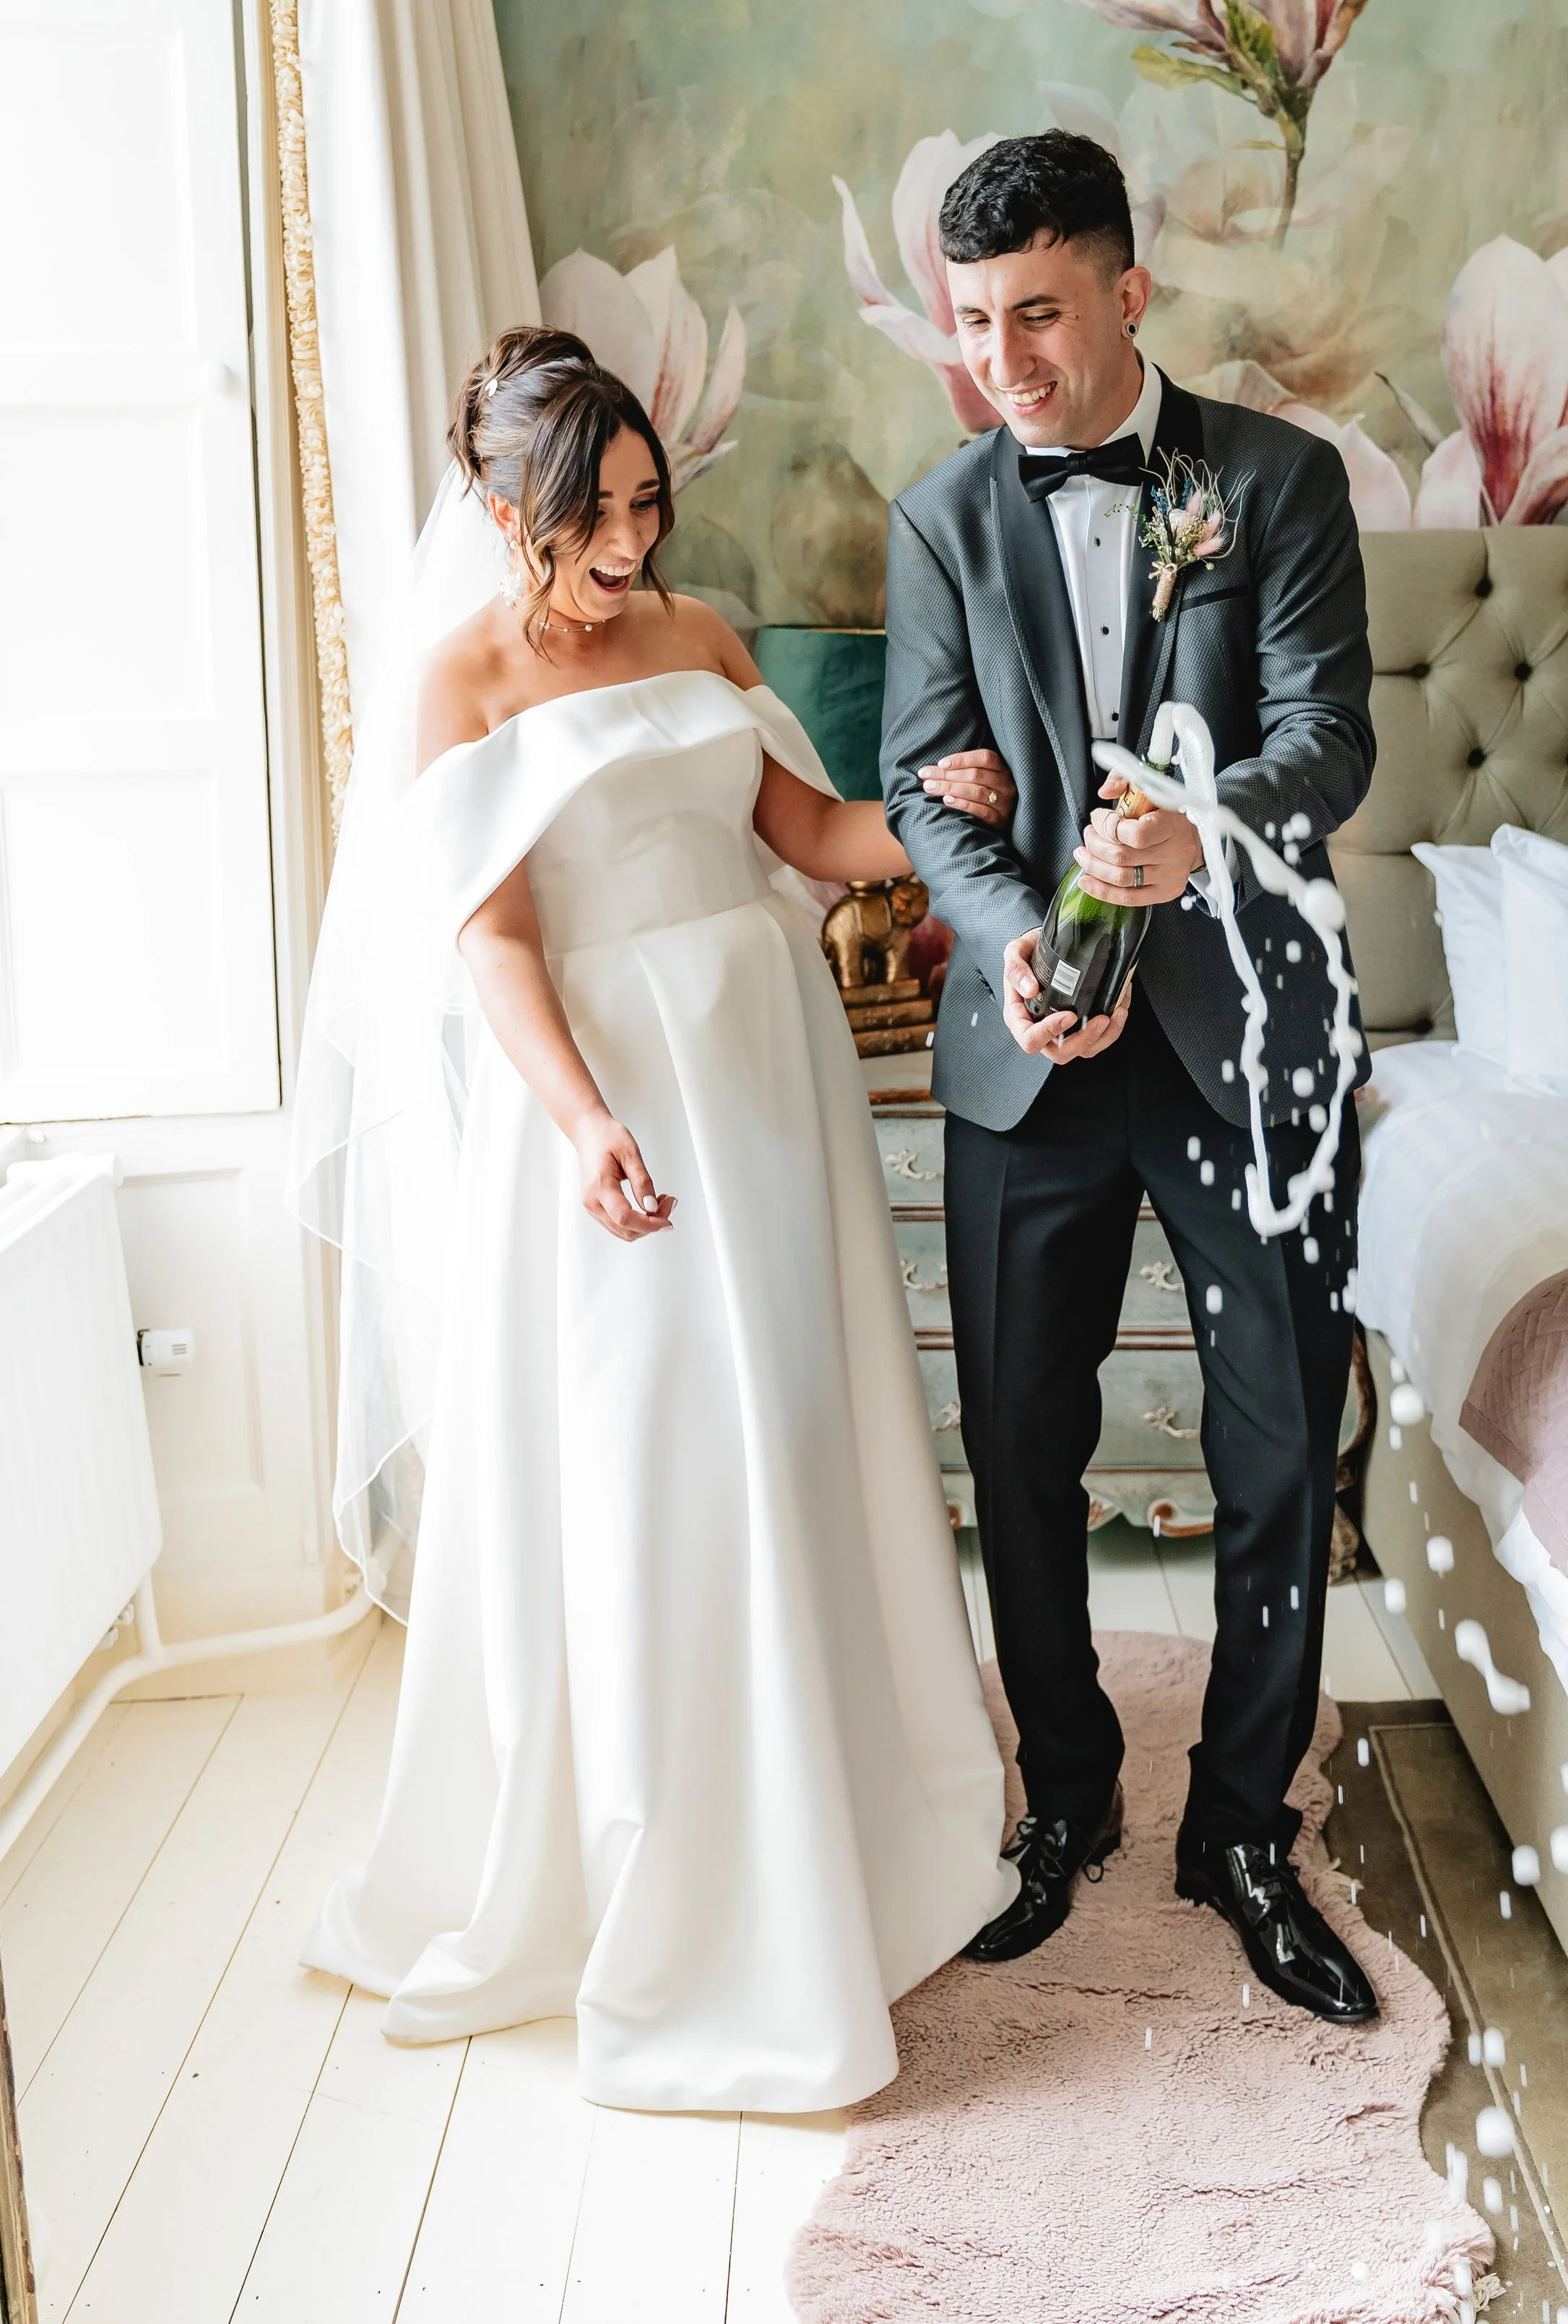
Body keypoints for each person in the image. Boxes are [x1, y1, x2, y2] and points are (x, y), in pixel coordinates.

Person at [295, 327, 1023, 2110]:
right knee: (657, 1461)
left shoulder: (698, 634)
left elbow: (808, 837)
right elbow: (491, 935)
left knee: (793, 1427)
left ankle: (833, 1815)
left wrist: (937, 814)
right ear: (504, 512)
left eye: (644, 504)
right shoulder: (460, 680)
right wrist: (580, 1119)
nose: (628, 543)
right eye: (592, 516)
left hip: (766, 1073)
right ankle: (676, 1863)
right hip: (609, 1093)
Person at [881, 131, 1379, 2025]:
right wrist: (1015, 937)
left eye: (1034, 314)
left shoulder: (1276, 480)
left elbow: (1326, 737)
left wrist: (1200, 826)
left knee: (1278, 1449)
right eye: (970, 322)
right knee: (1017, 1450)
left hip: (1243, 1038)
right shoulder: (939, 517)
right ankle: (1067, 1794)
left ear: (1125, 293)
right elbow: (928, 783)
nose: (999, 358)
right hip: (1031, 1059)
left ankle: (1241, 1828)